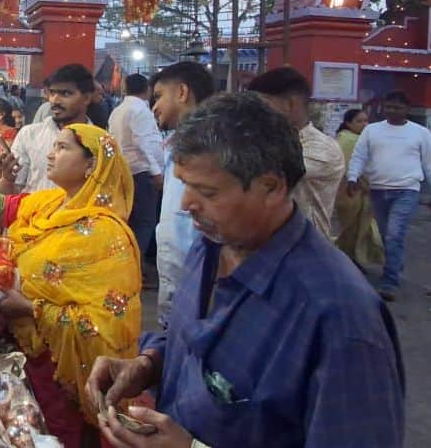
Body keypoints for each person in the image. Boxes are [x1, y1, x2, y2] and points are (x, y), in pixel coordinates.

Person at [88, 92, 405, 448]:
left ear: (270, 187)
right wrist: (149, 362)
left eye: (205, 191)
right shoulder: (212, 244)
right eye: (184, 184)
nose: (185, 204)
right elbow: (192, 343)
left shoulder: (340, 319)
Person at [0, 125, 140, 448]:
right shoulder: (49, 203)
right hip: (23, 352)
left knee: (61, 435)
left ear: (92, 164)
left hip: (62, 370)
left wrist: (32, 308)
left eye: (62, 148)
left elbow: (105, 325)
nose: (50, 153)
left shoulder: (107, 236)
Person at [348, 89, 431, 301]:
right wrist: (352, 177)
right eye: (389, 107)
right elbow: (359, 155)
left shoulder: (421, 133)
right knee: (387, 236)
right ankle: (395, 261)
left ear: (407, 109)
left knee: (395, 234)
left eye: (397, 107)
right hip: (378, 190)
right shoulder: (372, 131)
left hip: (407, 190)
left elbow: (428, 164)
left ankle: (389, 282)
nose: (392, 111)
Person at [149, 61, 215, 326]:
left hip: (200, 274)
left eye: (158, 96)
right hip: (177, 274)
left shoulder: (214, 144)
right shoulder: (175, 142)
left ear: (182, 93)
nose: (154, 107)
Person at [247, 67, 344, 240]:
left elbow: (260, 172)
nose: (256, 112)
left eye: (263, 104)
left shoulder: (322, 148)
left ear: (289, 104)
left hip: (306, 250)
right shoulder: (268, 139)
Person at [0, 64, 93, 194]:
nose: (55, 100)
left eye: (65, 93)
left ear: (87, 98)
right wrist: (6, 179)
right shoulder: (29, 134)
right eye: (52, 93)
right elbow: (9, 195)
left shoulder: (100, 144)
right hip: (32, 212)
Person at [108, 73, 164, 264]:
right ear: (147, 90)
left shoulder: (118, 110)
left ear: (125, 88)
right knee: (145, 221)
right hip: (141, 172)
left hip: (123, 171)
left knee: (130, 220)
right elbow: (143, 142)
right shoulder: (140, 110)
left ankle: (125, 263)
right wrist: (156, 172)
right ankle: (133, 266)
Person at [334, 108, 384, 267]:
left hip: (363, 191)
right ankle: (348, 261)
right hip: (351, 190)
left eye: (366, 120)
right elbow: (348, 166)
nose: (364, 124)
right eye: (359, 121)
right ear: (348, 123)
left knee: (361, 227)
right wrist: (364, 185)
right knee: (351, 228)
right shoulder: (348, 140)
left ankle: (355, 259)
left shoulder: (360, 139)